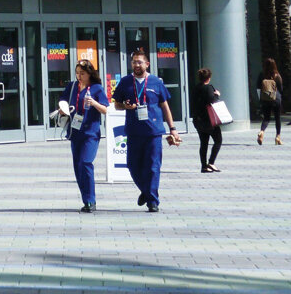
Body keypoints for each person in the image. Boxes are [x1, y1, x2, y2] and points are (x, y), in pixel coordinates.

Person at [112, 50, 181, 213]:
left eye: (139, 62)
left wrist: (173, 129)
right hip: (134, 131)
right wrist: (125, 106)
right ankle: (145, 190)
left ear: (147, 64)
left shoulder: (156, 82)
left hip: (153, 132)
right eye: (134, 62)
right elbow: (117, 104)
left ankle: (152, 201)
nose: (136, 65)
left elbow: (165, 106)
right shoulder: (125, 82)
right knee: (132, 165)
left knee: (153, 167)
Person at [60, 60, 108, 212]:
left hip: (90, 132)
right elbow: (63, 101)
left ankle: (90, 201)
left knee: (86, 162)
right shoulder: (72, 86)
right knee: (78, 166)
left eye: (83, 73)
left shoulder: (96, 88)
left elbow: (105, 109)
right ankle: (86, 198)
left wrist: (93, 103)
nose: (79, 76)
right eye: (77, 73)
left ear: (90, 74)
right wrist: (62, 109)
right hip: (75, 132)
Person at [191, 67, 222, 172]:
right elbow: (212, 101)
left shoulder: (196, 88)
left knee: (203, 143)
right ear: (209, 78)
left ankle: (203, 166)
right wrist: (217, 95)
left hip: (198, 120)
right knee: (218, 140)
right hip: (209, 120)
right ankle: (211, 162)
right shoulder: (208, 88)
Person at [256, 57, 284, 145]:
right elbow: (281, 89)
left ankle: (262, 132)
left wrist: (260, 99)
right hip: (276, 99)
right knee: (277, 118)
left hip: (265, 99)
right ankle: (277, 137)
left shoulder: (262, 74)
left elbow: (258, 87)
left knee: (266, 118)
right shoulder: (277, 75)